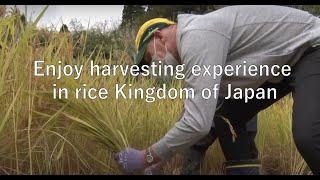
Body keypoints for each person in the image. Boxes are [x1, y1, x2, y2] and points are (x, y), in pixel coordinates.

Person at [113, 5, 320, 175]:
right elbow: (194, 112)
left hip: (309, 47)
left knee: (308, 135)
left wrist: (146, 157)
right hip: (280, 64)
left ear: (159, 37)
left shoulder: (197, 36)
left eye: (150, 58)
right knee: (225, 114)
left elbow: (197, 124)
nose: (154, 66)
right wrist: (159, 161)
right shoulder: (197, 52)